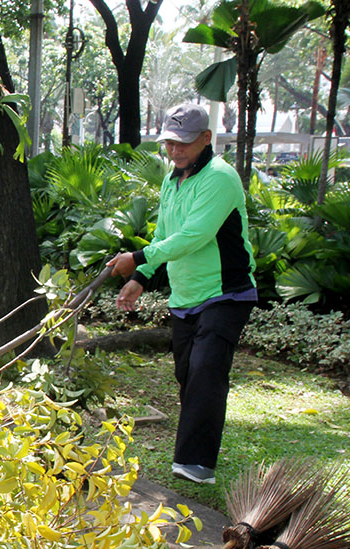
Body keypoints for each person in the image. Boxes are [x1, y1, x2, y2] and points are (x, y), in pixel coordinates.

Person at [107, 103, 256, 486]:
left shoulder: (220, 178)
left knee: (207, 370)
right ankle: (192, 456)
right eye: (170, 143)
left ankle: (195, 464)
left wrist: (137, 256)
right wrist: (142, 275)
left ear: (207, 138)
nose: (176, 151)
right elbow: (164, 235)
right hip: (185, 296)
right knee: (187, 374)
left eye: (184, 143)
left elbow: (195, 236)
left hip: (226, 293)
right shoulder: (172, 180)